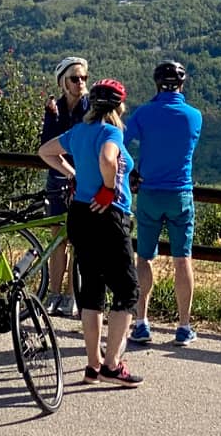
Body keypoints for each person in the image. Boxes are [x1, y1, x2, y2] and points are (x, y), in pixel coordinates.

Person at [37, 78, 143, 388]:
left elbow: (45, 151)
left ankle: (93, 365)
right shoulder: (111, 132)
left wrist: (73, 174)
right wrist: (108, 190)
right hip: (107, 214)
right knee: (126, 290)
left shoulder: (78, 132)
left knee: (92, 290)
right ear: (119, 106)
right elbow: (108, 158)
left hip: (80, 214)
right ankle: (112, 365)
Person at [124, 59, 203, 346]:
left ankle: (142, 322)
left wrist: (132, 169)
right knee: (183, 259)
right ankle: (183, 326)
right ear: (182, 84)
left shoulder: (143, 113)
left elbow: (118, 141)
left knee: (144, 257)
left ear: (156, 84)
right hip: (180, 193)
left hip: (149, 193)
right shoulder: (194, 116)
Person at [39, 56, 90, 318]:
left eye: (83, 78)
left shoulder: (90, 107)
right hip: (58, 179)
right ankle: (54, 294)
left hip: (82, 179)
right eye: (74, 78)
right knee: (58, 239)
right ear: (63, 82)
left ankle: (72, 295)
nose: (80, 82)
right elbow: (46, 142)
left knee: (78, 240)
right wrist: (52, 117)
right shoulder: (55, 108)